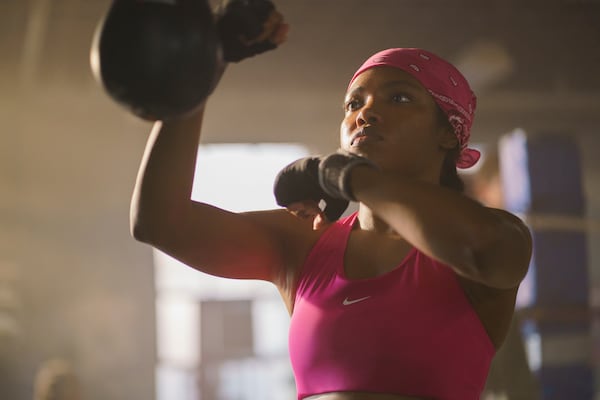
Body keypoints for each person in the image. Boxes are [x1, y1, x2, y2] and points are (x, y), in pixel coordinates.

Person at [130, 6, 532, 400]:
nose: (366, 113)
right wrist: (202, 71)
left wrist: (351, 178)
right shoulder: (305, 242)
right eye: (354, 104)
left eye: (400, 99)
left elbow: (479, 250)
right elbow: (161, 222)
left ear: (449, 133)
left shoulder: (499, 235)